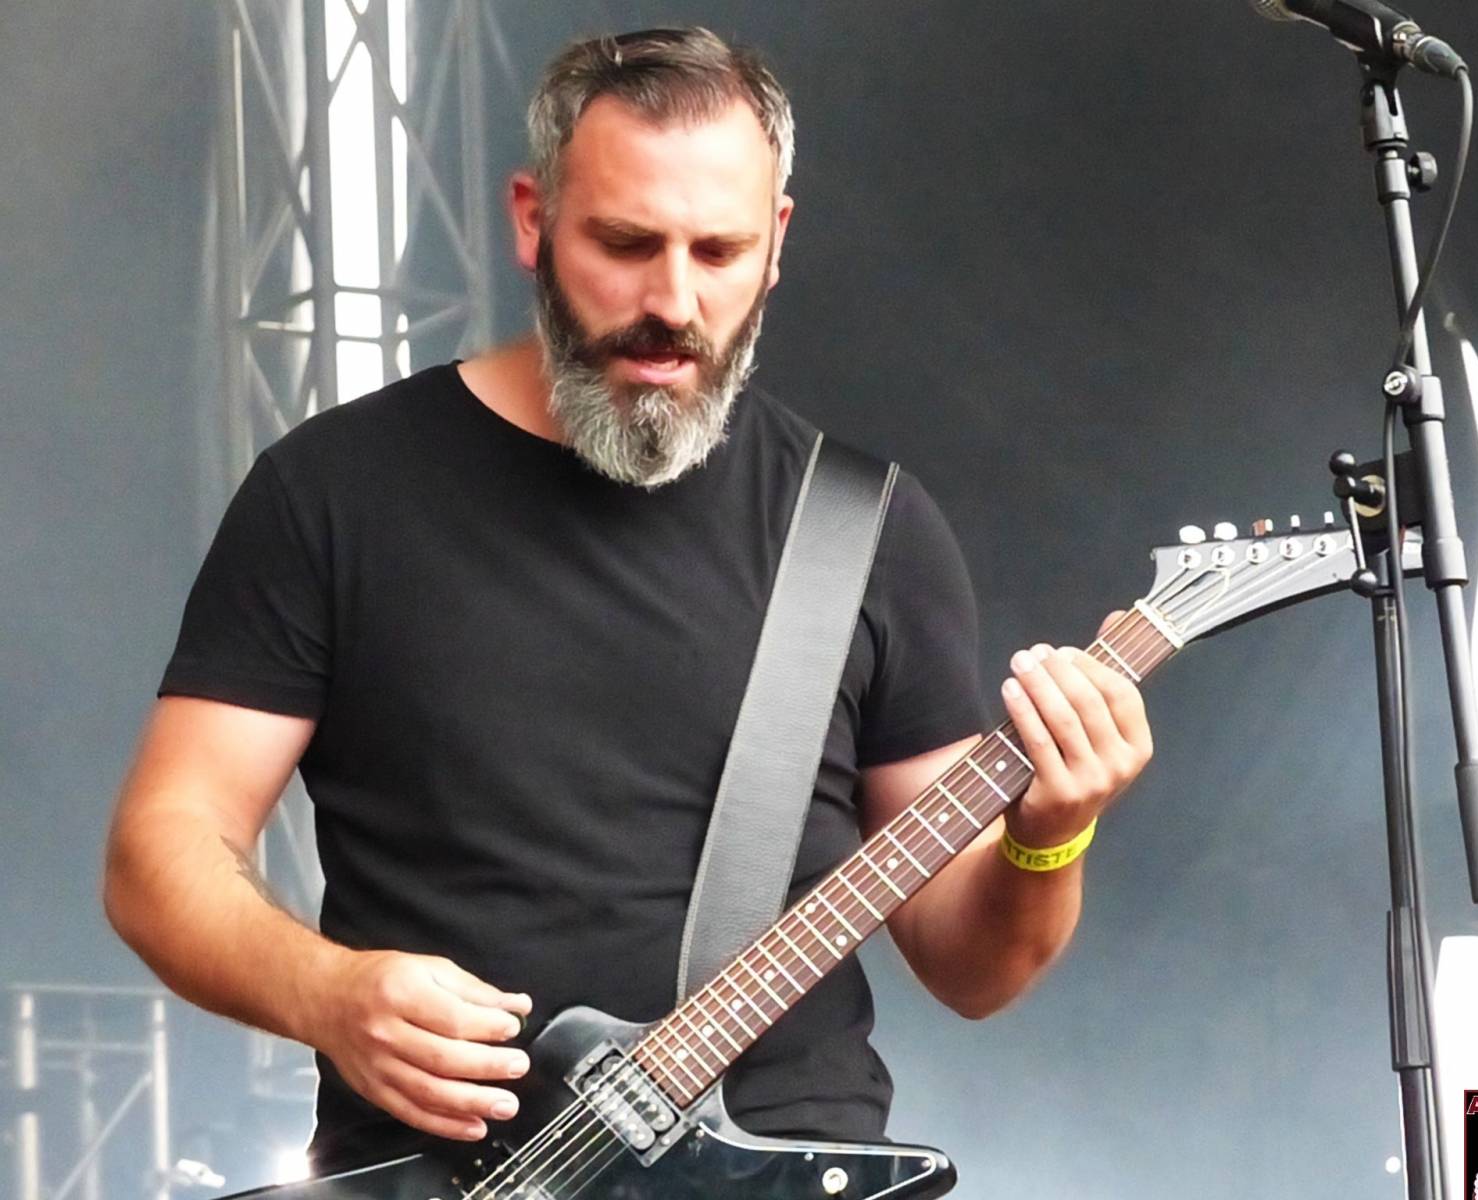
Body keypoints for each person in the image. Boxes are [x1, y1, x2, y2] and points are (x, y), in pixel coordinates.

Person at [103, 26, 1152, 1175]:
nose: (672, 301)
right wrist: (326, 991)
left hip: (789, 1172)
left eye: (720, 251)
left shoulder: (867, 530)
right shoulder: (333, 490)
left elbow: (974, 972)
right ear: (532, 220)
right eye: (625, 242)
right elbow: (162, 849)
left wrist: (1048, 838)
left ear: (776, 243)